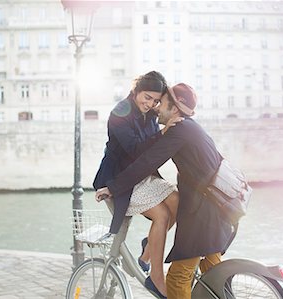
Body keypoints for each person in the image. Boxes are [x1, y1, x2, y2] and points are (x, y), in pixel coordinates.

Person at [96, 83, 235, 299]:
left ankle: (152, 261)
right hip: (218, 210)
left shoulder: (179, 130)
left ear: (175, 109)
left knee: (177, 279)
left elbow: (147, 162)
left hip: (201, 213)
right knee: (214, 274)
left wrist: (113, 187)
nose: (157, 108)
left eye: (161, 103)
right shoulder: (191, 127)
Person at [92, 71, 181, 298]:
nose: (150, 104)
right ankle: (156, 278)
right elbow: (135, 149)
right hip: (119, 179)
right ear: (136, 91)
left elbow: (151, 152)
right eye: (147, 97)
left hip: (141, 174)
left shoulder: (149, 113)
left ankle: (146, 251)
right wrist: (164, 131)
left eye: (155, 100)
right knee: (161, 215)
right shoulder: (119, 113)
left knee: (178, 201)